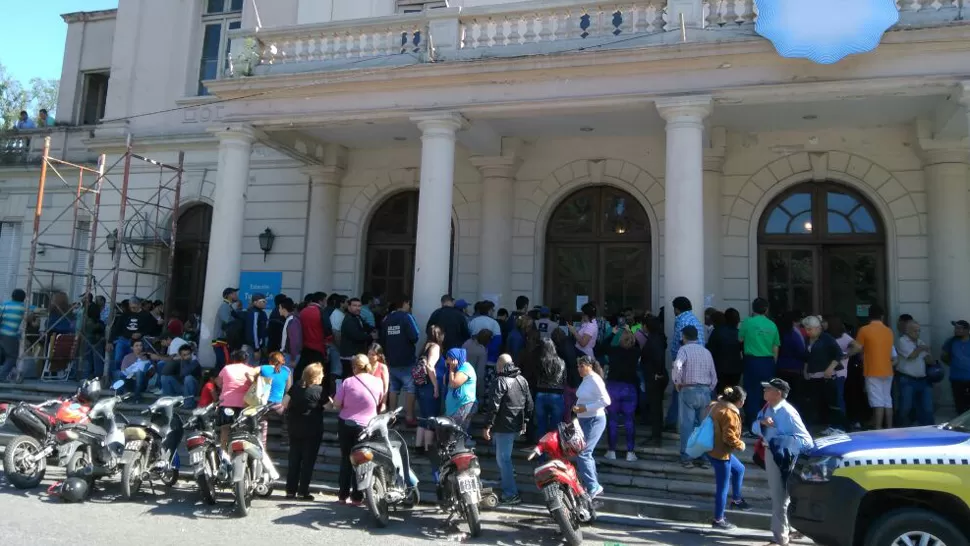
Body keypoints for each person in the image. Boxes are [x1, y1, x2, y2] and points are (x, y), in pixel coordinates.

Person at [753, 378, 813, 546]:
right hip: (771, 454)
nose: (764, 391)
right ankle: (786, 532)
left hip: (783, 457)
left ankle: (780, 538)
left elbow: (807, 441)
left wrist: (783, 443)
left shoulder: (788, 412)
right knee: (780, 497)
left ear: (778, 393)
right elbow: (753, 426)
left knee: (780, 497)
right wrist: (762, 424)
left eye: (768, 389)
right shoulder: (767, 408)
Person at [331, 354, 384, 505]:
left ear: (354, 366)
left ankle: (342, 495)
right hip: (367, 426)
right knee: (362, 461)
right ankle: (357, 496)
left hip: (346, 424)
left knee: (346, 459)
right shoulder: (378, 382)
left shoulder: (348, 382)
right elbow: (379, 401)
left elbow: (336, 403)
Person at [482, 353, 533, 506]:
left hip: (502, 425)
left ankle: (511, 493)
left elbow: (493, 406)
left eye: (498, 361)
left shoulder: (500, 381)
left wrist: (487, 426)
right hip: (514, 424)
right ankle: (508, 476)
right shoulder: (522, 380)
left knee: (503, 458)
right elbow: (529, 404)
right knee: (504, 458)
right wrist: (525, 421)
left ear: (501, 364)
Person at [672, 325, 718, 468]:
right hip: (705, 391)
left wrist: (677, 382)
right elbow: (714, 376)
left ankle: (686, 458)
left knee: (687, 424)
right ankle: (703, 458)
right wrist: (709, 388)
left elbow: (677, 365)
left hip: (688, 389)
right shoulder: (706, 352)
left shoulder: (683, 350)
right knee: (703, 426)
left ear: (684, 336)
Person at [707, 385, 750, 531]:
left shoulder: (716, 405)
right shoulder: (729, 413)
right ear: (739, 401)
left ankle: (736, 500)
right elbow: (729, 437)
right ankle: (718, 519)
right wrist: (741, 444)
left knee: (739, 469)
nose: (744, 403)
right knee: (722, 488)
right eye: (743, 400)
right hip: (721, 453)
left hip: (713, 448)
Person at [285, 362, 326, 501]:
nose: (323, 376)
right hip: (312, 429)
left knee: (294, 459)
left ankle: (290, 491)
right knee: (308, 461)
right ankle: (303, 491)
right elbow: (331, 406)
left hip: (294, 427)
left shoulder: (296, 386)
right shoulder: (319, 391)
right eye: (321, 374)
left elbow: (284, 403)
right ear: (315, 377)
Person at [738, 297, 780, 430]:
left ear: (753, 308)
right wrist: (773, 363)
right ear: (766, 309)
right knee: (767, 393)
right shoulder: (772, 325)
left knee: (751, 393)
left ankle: (753, 425)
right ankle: (766, 424)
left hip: (752, 361)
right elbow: (775, 347)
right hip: (768, 362)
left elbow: (740, 339)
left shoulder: (747, 323)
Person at [853, 304, 896, 429]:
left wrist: (845, 355)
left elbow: (857, 347)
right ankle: (889, 427)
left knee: (878, 402)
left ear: (869, 316)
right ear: (882, 316)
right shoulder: (888, 331)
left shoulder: (865, 330)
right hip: (888, 369)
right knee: (887, 400)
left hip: (872, 370)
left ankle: (878, 429)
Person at [666, 297, 706, 431]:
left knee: (680, 391)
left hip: (685, 362)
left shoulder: (681, 320)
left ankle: (673, 422)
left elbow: (678, 343)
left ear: (676, 309)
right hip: (699, 362)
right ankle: (673, 420)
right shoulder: (695, 320)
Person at [573, 355, 610, 499]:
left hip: (595, 420)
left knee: (584, 453)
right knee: (584, 453)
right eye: (578, 366)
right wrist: (578, 408)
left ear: (590, 366)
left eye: (582, 366)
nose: (579, 369)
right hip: (584, 420)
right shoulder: (587, 379)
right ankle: (593, 485)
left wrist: (585, 408)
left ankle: (593, 486)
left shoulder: (595, 379)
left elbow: (606, 401)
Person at [802, 316, 845, 431]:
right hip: (813, 376)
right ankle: (823, 426)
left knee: (832, 402)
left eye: (810, 329)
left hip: (827, 376)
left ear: (817, 328)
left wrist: (830, 368)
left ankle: (838, 427)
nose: (807, 332)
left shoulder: (827, 338)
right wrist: (805, 370)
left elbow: (838, 354)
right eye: (806, 329)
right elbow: (807, 357)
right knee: (815, 402)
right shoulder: (807, 340)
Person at [381, 297, 419, 425]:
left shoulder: (387, 319)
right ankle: (409, 417)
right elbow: (415, 336)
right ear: (405, 303)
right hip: (406, 359)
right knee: (411, 388)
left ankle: (391, 417)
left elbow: (382, 339)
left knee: (393, 388)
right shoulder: (406, 317)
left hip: (391, 359)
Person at [605, 329, 640, 461]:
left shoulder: (613, 350)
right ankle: (630, 452)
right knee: (629, 420)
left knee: (612, 420)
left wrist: (613, 333)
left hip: (613, 387)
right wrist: (632, 338)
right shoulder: (636, 352)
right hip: (629, 388)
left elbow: (601, 347)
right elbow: (638, 347)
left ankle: (612, 450)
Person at [215, 350, 260, 449]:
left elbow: (218, 383)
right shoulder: (250, 370)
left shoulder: (226, 368)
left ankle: (224, 454)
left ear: (233, 359)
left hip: (227, 403)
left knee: (225, 430)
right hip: (245, 405)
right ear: (246, 360)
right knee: (244, 431)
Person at [895, 319, 934, 427]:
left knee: (928, 408)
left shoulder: (920, 342)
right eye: (915, 331)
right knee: (906, 408)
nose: (917, 333)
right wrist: (921, 348)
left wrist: (929, 353)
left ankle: (929, 430)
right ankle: (902, 430)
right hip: (907, 379)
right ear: (907, 331)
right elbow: (911, 355)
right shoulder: (902, 341)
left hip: (922, 379)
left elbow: (930, 361)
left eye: (918, 331)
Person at [107, 296, 157, 377]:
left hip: (135, 342)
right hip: (123, 339)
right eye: (131, 307)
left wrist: (141, 333)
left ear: (139, 305)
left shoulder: (146, 315)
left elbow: (151, 327)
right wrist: (110, 341)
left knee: (133, 361)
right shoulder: (126, 314)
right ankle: (117, 377)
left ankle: (130, 378)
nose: (132, 309)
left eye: (134, 307)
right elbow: (117, 327)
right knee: (118, 359)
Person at [415, 326, 443, 453]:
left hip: (421, 386)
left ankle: (418, 446)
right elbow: (430, 366)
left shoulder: (425, 346)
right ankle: (428, 449)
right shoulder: (435, 347)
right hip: (429, 387)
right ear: (439, 335)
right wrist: (436, 385)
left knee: (422, 418)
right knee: (430, 419)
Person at [640, 317, 668, 446]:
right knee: (656, 407)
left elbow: (657, 358)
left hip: (654, 377)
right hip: (655, 376)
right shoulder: (657, 338)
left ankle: (656, 436)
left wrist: (658, 373)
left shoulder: (654, 340)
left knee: (655, 407)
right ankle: (656, 435)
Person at [259, 351, 293, 446]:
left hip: (264, 404)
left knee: (262, 422)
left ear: (270, 361)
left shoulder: (264, 368)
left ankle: (262, 443)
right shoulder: (286, 371)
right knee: (287, 418)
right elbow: (289, 389)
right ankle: (285, 439)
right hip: (278, 404)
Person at [535, 338, 566, 439]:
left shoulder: (539, 361)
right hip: (557, 394)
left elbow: (535, 377)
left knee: (541, 427)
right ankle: (554, 453)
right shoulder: (561, 362)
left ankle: (541, 453)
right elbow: (564, 378)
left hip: (541, 393)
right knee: (555, 428)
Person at [338, 298, 373, 387]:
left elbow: (366, 327)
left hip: (355, 355)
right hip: (350, 356)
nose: (357, 308)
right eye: (354, 305)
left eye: (359, 306)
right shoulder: (349, 320)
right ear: (349, 307)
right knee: (349, 381)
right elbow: (357, 336)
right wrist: (370, 337)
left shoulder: (357, 317)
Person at [707, 309, 743, 394]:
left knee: (721, 394)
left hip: (720, 369)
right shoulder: (739, 333)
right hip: (736, 369)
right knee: (732, 394)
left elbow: (710, 350)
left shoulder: (717, 332)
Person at [444, 347, 477, 435]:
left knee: (457, 431)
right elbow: (445, 383)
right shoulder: (457, 369)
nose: (447, 361)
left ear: (455, 358)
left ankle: (461, 446)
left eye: (449, 358)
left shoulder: (465, 368)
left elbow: (454, 384)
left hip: (463, 405)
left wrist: (451, 370)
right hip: (455, 407)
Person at [159, 344, 202, 409]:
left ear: (191, 353)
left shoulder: (195, 362)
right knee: (165, 378)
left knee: (188, 378)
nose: (187, 356)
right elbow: (164, 372)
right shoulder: (181, 360)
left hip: (194, 389)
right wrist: (173, 360)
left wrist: (183, 360)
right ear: (181, 355)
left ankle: (189, 404)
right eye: (184, 355)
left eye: (188, 354)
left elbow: (185, 373)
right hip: (183, 388)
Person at [0, 289, 29, 382]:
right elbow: (30, 315)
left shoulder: (5, 304)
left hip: (1, 332)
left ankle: (7, 374)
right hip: (10, 334)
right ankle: (2, 376)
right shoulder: (22, 307)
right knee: (12, 356)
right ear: (23, 298)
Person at [942, 319, 970, 414]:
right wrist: (954, 364)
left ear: (967, 330)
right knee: (959, 405)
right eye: (955, 328)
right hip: (956, 378)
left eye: (959, 328)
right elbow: (944, 356)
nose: (956, 330)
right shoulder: (950, 342)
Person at [212, 287, 240, 372]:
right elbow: (228, 321)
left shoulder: (228, 306)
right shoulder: (225, 306)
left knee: (220, 365)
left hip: (223, 341)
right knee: (224, 364)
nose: (236, 295)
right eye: (234, 293)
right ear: (229, 295)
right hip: (220, 341)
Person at [243, 294, 269, 364]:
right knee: (250, 368)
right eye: (262, 301)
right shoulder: (254, 313)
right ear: (255, 302)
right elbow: (253, 331)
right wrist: (256, 349)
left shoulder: (261, 313)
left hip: (258, 346)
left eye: (265, 301)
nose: (265, 303)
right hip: (252, 347)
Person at [367, 343, 389, 412]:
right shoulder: (364, 366)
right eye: (368, 354)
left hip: (377, 401)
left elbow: (386, 387)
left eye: (373, 355)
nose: (369, 356)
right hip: (366, 400)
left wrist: (384, 404)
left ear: (378, 356)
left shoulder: (382, 367)